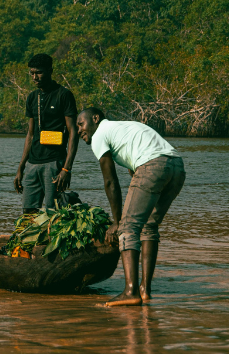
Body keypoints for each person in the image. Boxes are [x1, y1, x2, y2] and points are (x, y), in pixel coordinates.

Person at [76, 108, 185, 307]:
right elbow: (133, 168)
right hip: (177, 166)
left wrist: (117, 222)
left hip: (153, 165)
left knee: (128, 228)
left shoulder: (99, 134)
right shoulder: (122, 128)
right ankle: (144, 290)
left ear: (95, 119)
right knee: (149, 225)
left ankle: (130, 291)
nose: (78, 130)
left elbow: (110, 181)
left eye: (81, 124)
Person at [14, 53, 79, 213]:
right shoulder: (32, 97)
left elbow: (73, 132)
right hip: (33, 163)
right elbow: (30, 134)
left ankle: (71, 200)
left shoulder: (63, 95)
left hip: (54, 162)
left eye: (39, 72)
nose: (35, 77)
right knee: (28, 212)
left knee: (53, 211)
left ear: (50, 71)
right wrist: (21, 167)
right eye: (32, 73)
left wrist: (66, 169)